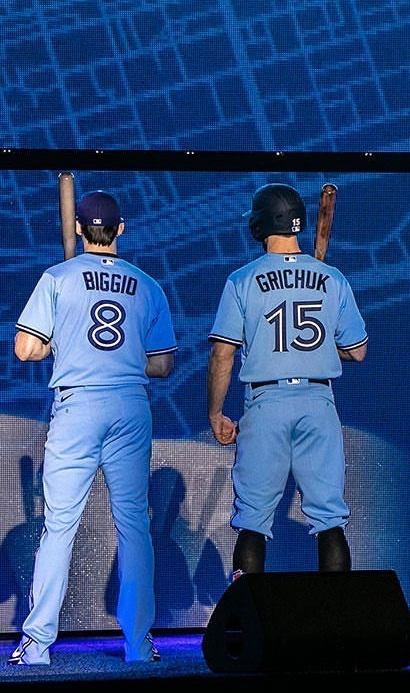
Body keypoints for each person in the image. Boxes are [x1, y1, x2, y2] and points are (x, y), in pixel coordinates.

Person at [9, 189, 177, 665]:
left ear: (80, 229)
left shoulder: (58, 277)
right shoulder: (148, 284)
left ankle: (37, 645)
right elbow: (163, 365)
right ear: (120, 229)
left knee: (59, 526)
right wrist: (119, 360)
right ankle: (139, 645)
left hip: (78, 406)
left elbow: (26, 349)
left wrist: (61, 344)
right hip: (129, 406)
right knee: (134, 526)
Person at [207, 183, 367, 579]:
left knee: (252, 520)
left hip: (267, 404)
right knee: (329, 519)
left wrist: (215, 413)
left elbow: (223, 353)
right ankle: (338, 616)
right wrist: (320, 345)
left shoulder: (242, 279)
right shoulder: (331, 277)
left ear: (259, 224)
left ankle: (247, 615)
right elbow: (357, 350)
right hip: (318, 402)